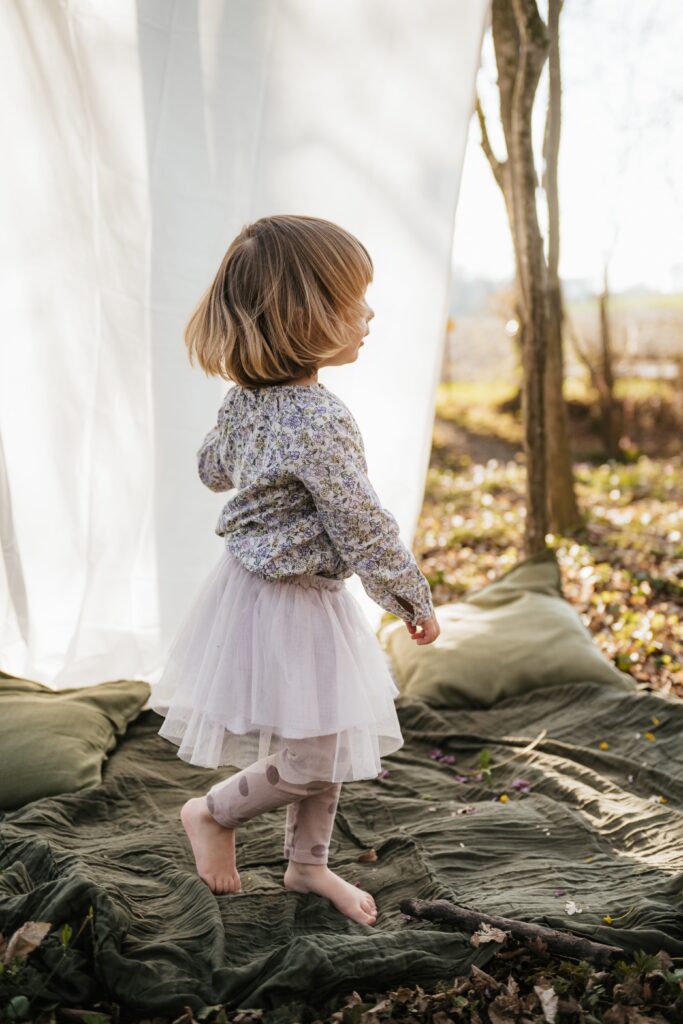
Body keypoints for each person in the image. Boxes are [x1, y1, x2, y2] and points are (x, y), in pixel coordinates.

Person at [150, 214, 440, 926]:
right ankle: (211, 815)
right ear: (302, 316)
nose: (368, 314)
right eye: (352, 301)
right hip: (287, 602)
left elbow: (211, 470)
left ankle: (307, 865)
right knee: (311, 756)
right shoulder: (318, 417)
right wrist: (409, 598)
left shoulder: (245, 399)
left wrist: (249, 450)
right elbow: (360, 521)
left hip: (266, 593)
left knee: (325, 736)